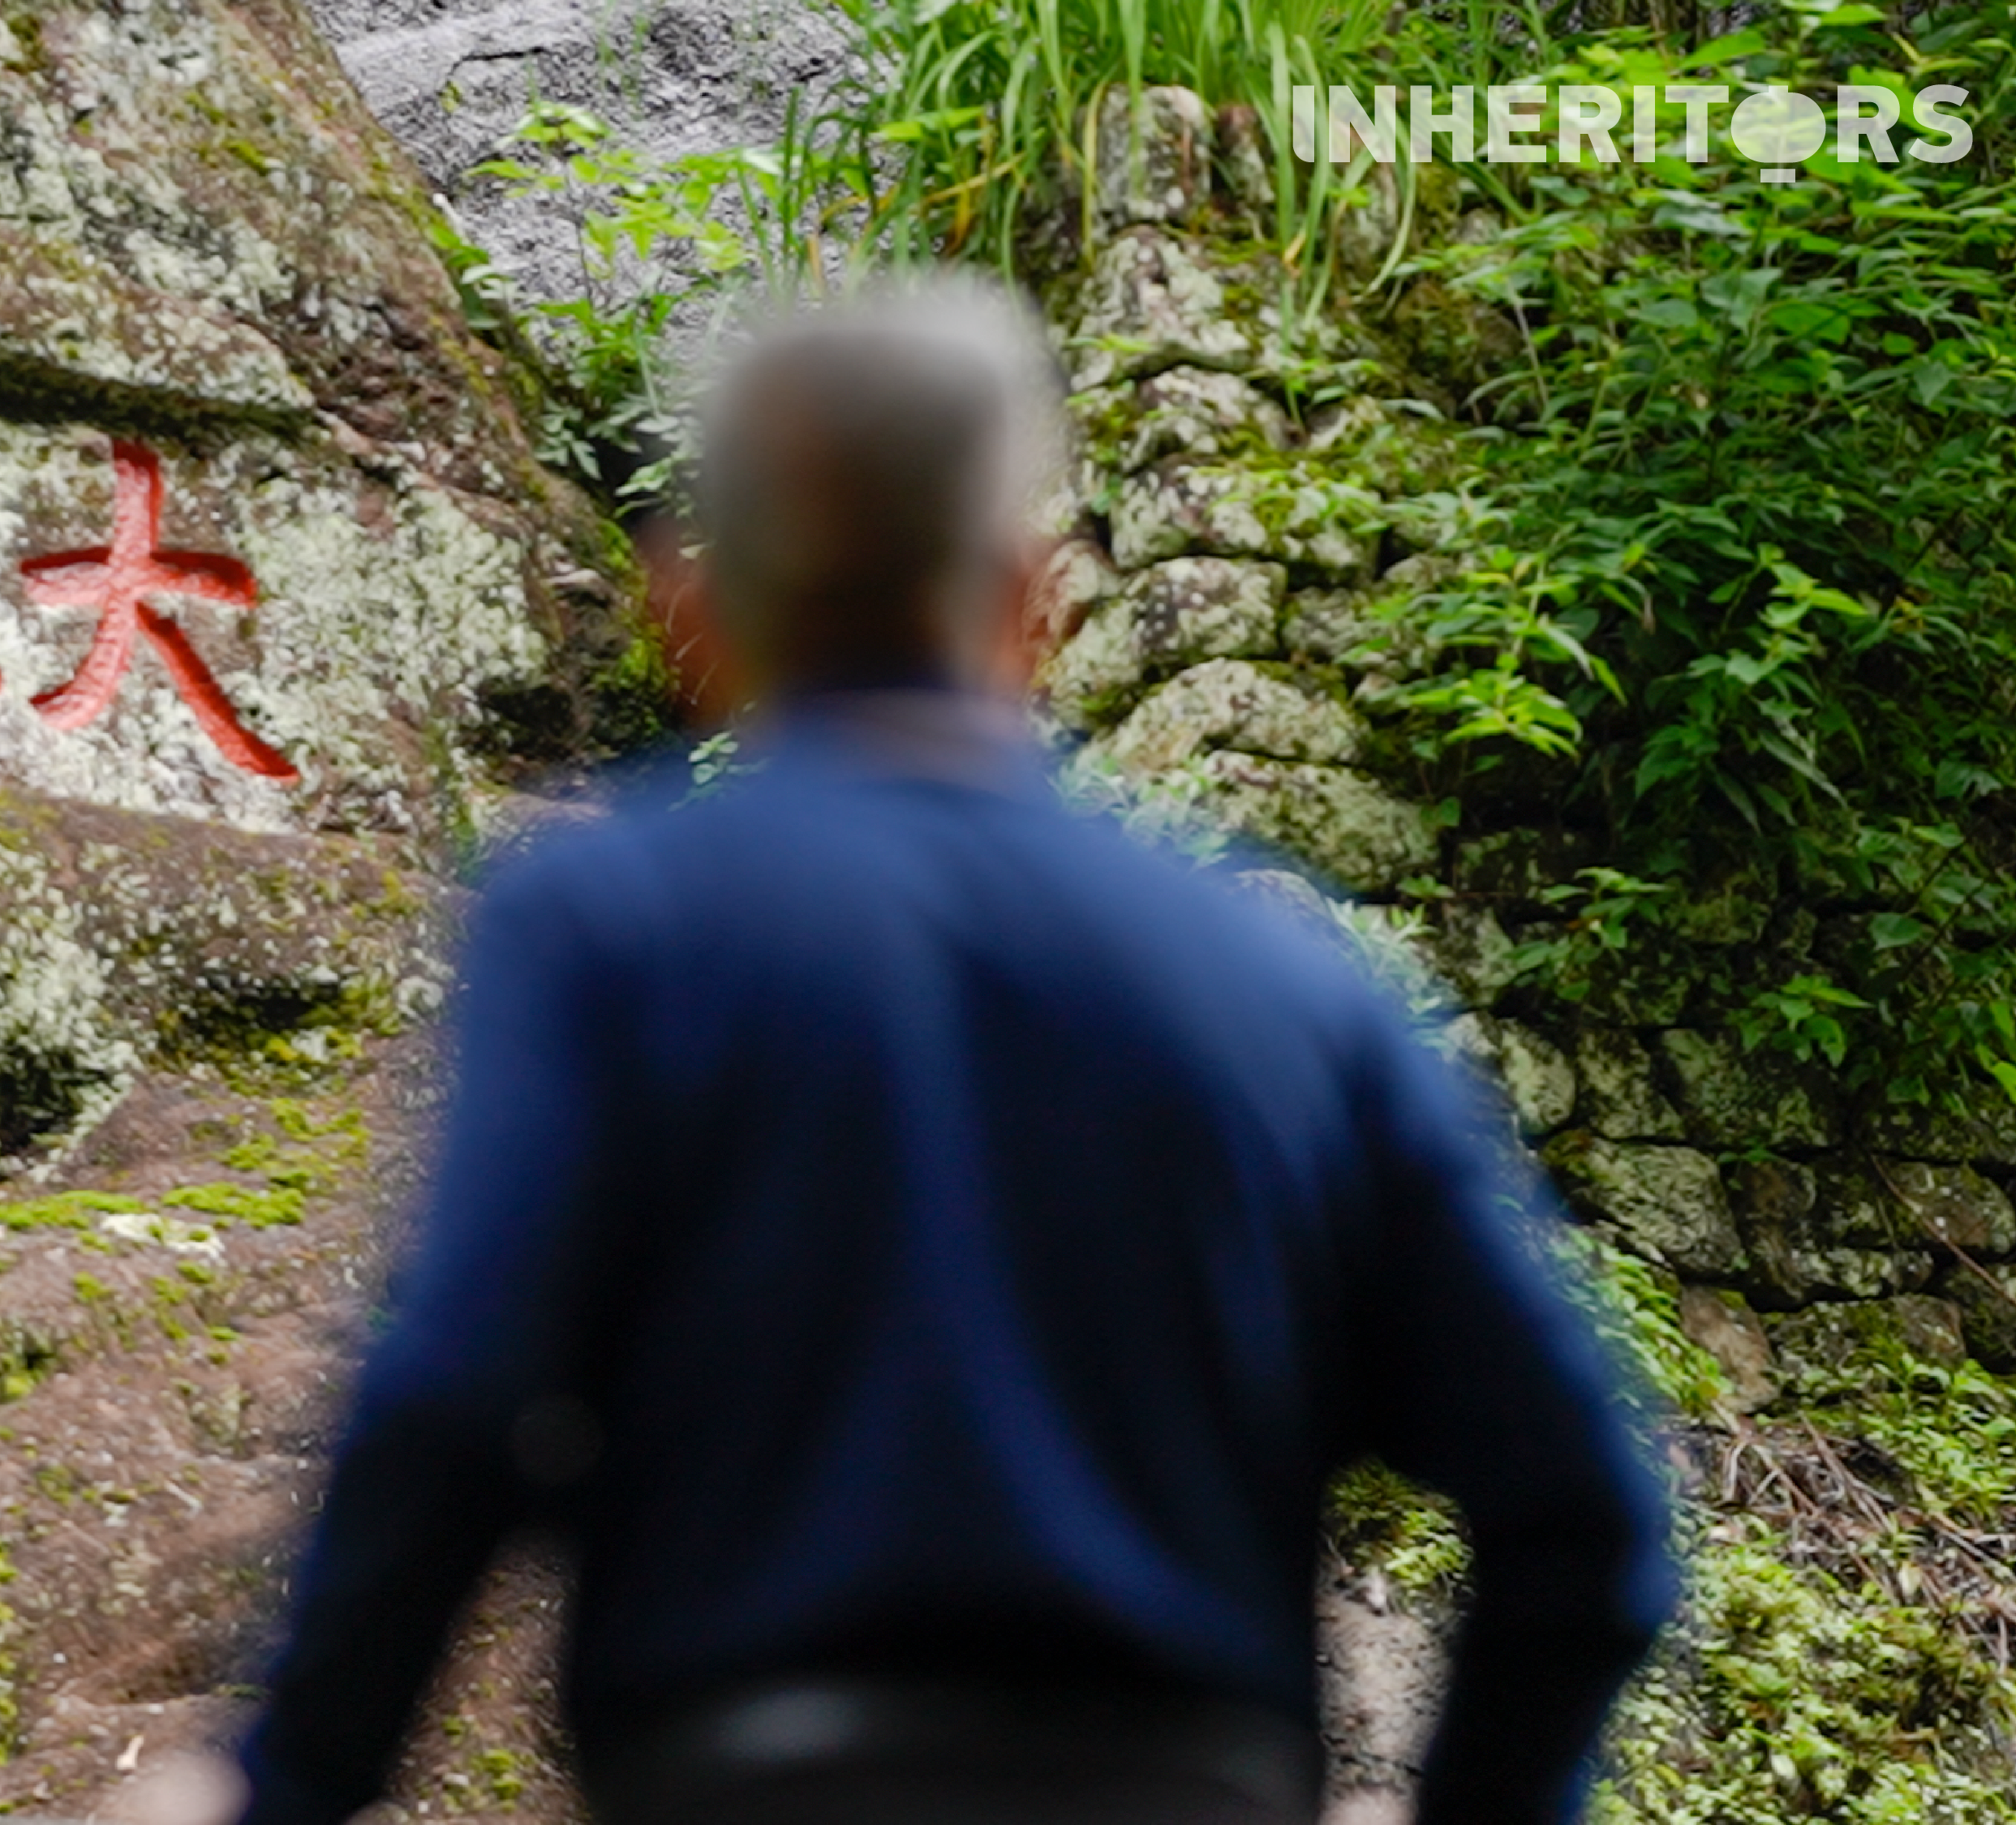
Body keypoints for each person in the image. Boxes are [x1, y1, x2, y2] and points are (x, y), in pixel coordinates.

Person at [217, 281, 1676, 1825]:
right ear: (1037, 604)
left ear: (688, 613)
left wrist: (287, 1783)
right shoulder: (1279, 973)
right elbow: (1584, 1516)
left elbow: (456, 1399)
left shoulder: (608, 917)